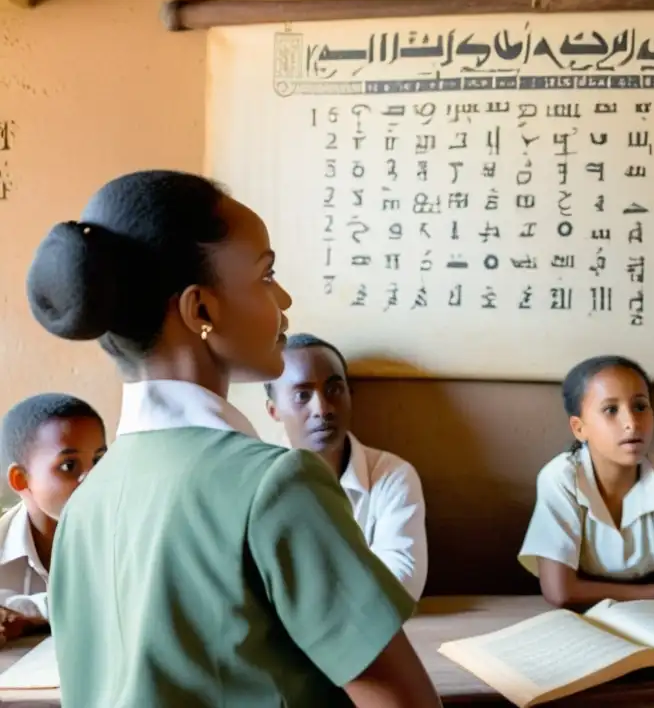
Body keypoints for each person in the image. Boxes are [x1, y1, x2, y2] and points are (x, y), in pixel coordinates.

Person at [26, 170, 440, 707]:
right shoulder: (274, 485)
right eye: (267, 276)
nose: (284, 297)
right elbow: (402, 701)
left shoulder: (84, 508)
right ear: (201, 310)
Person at [518, 355, 654, 608]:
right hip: (597, 611)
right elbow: (560, 592)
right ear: (579, 428)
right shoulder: (560, 478)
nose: (631, 423)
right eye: (610, 410)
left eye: (640, 407)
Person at [266, 333, 427, 600]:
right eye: (302, 395)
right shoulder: (259, 480)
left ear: (350, 396)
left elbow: (402, 586)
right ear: (274, 411)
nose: (322, 408)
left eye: (333, 390)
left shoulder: (392, 476)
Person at [0, 393, 106, 639]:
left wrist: (31, 613)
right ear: (21, 479)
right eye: (69, 466)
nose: (93, 478)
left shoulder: (127, 535)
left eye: (99, 461)